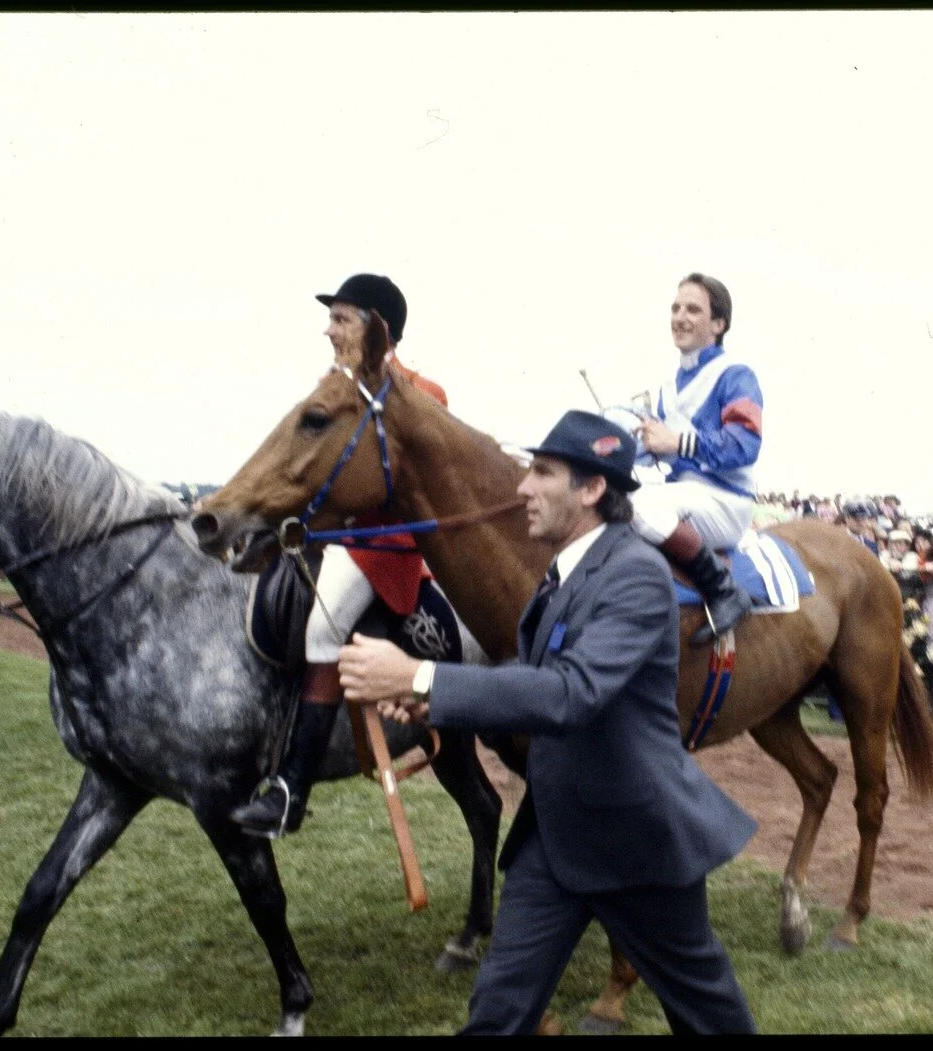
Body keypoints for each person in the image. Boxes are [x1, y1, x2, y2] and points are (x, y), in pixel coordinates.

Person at [336, 409, 758, 1035]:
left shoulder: (636, 574)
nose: (521, 489)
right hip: (554, 837)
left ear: (592, 490)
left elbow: (572, 693)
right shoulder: (562, 573)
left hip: (635, 840)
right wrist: (430, 697)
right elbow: (530, 672)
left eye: (542, 473)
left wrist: (419, 677)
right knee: (498, 1013)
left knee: (707, 1017)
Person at [230, 272, 454, 838]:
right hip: (334, 536)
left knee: (320, 634)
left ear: (375, 330)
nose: (328, 330)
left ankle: (291, 788)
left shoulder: (423, 394)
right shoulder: (334, 387)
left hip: (382, 546)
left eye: (340, 318)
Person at [629, 273, 761, 646]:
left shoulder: (736, 375)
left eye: (693, 310)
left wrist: (674, 441)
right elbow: (659, 453)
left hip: (726, 500)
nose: (680, 317)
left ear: (718, 324)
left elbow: (744, 444)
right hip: (682, 495)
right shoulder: (667, 388)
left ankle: (723, 590)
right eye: (675, 308)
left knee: (637, 508)